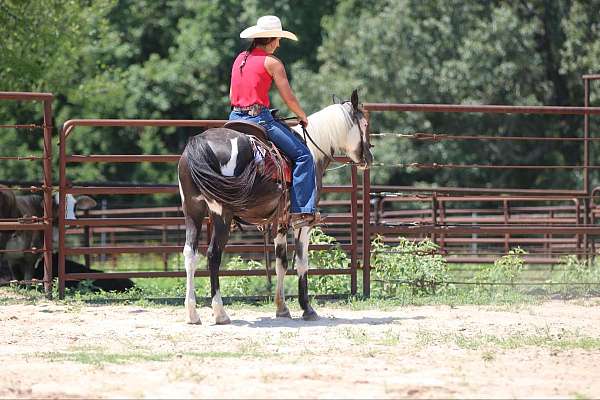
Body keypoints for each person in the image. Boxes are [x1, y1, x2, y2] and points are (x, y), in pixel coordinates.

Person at [229, 15, 318, 229]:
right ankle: (302, 212)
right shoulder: (272, 62)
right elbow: (288, 98)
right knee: (304, 156)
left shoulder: (240, 58)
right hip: (258, 119)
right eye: (277, 39)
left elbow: (232, 93)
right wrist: (301, 115)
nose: (278, 44)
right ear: (270, 39)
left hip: (233, 118)